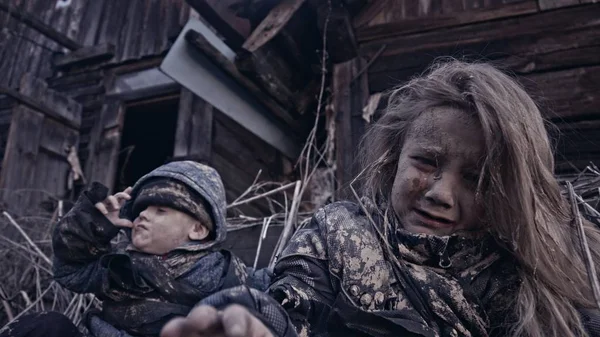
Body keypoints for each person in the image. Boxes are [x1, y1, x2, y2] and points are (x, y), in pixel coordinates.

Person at [160, 60, 600, 337]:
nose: (440, 193)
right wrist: (247, 317)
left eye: (476, 177)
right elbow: (291, 304)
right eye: (426, 161)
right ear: (394, 159)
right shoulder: (338, 234)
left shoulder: (537, 277)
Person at [0, 160, 269, 337]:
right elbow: (70, 271)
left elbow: (277, 291)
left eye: (161, 210)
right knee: (47, 326)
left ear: (198, 230)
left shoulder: (226, 275)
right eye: (141, 210)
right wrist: (92, 227)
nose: (143, 216)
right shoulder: (119, 266)